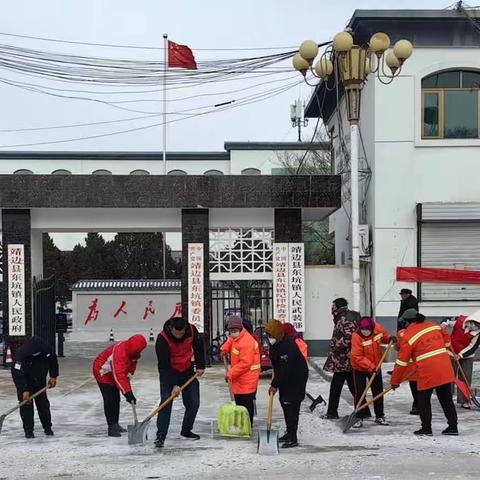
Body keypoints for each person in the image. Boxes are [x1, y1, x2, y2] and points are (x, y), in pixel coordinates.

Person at [391, 308, 458, 436]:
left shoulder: (408, 335)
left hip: (427, 371)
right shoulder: (434, 326)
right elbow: (447, 341)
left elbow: (402, 362)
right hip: (444, 367)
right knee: (446, 399)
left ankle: (426, 428)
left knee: (423, 400)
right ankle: (453, 427)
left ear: (407, 322)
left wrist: (395, 381)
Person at [155, 316, 205, 448]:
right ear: (171, 329)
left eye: (181, 333)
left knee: (193, 402)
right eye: (176, 333)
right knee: (166, 402)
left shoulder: (192, 330)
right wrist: (173, 386)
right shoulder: (162, 339)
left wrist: (200, 365)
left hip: (187, 370)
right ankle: (161, 435)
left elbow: (199, 347)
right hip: (169, 372)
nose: (178, 336)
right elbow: (164, 366)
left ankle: (186, 430)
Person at [93, 334, 147, 437]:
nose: (139, 353)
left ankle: (115, 424)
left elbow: (132, 363)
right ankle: (111, 427)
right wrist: (128, 393)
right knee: (110, 398)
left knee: (116, 398)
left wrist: (130, 372)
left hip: (115, 371)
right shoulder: (120, 353)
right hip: (103, 371)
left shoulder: (133, 352)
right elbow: (119, 376)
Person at [266, 319, 308, 448]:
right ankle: (289, 433)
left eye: (271, 335)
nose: (269, 338)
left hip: (296, 378)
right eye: (268, 335)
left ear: (278, 333)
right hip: (286, 378)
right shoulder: (277, 343)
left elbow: (285, 369)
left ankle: (293, 437)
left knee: (291, 406)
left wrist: (274, 384)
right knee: (285, 403)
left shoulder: (287, 346)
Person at [350, 316, 394, 428]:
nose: (365, 332)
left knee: (378, 391)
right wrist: (371, 367)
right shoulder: (356, 336)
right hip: (360, 368)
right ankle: (359, 417)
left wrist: (389, 338)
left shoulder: (378, 329)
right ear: (360, 328)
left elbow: (384, 336)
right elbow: (357, 356)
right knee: (360, 392)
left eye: (368, 330)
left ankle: (379, 416)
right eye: (363, 330)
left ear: (372, 328)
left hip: (376, 366)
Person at [11, 336, 59, 438]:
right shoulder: (21, 353)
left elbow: (53, 360)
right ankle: (28, 430)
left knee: (43, 404)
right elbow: (17, 373)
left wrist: (53, 376)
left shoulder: (46, 349)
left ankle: (47, 427)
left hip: (40, 379)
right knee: (26, 405)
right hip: (25, 381)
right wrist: (24, 390)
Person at [323, 298, 360, 419]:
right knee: (352, 386)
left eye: (332, 306)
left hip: (344, 359)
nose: (331, 309)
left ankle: (332, 412)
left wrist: (336, 345)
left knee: (337, 387)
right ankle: (363, 410)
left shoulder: (345, 318)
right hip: (343, 360)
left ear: (337, 307)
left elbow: (350, 337)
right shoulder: (343, 317)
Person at [220, 315, 261, 426]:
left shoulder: (247, 341)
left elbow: (245, 363)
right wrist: (224, 348)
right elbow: (231, 341)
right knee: (238, 400)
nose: (233, 333)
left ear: (240, 329)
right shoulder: (235, 337)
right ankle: (239, 424)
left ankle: (247, 426)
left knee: (246, 403)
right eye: (231, 331)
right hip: (239, 376)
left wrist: (230, 374)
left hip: (248, 377)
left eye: (235, 330)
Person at [442, 312, 480, 409]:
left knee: (465, 377)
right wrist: (444, 324)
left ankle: (464, 400)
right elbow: (447, 319)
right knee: (449, 376)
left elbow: (472, 347)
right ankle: (447, 398)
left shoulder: (478, 333)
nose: (475, 327)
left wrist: (460, 355)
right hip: (451, 352)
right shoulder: (460, 320)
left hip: (467, 355)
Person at [397, 324, 419, 415]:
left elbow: (399, 347)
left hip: (410, 365)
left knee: (414, 385)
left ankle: (417, 405)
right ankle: (418, 405)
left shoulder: (401, 333)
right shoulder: (421, 332)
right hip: (419, 363)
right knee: (419, 386)